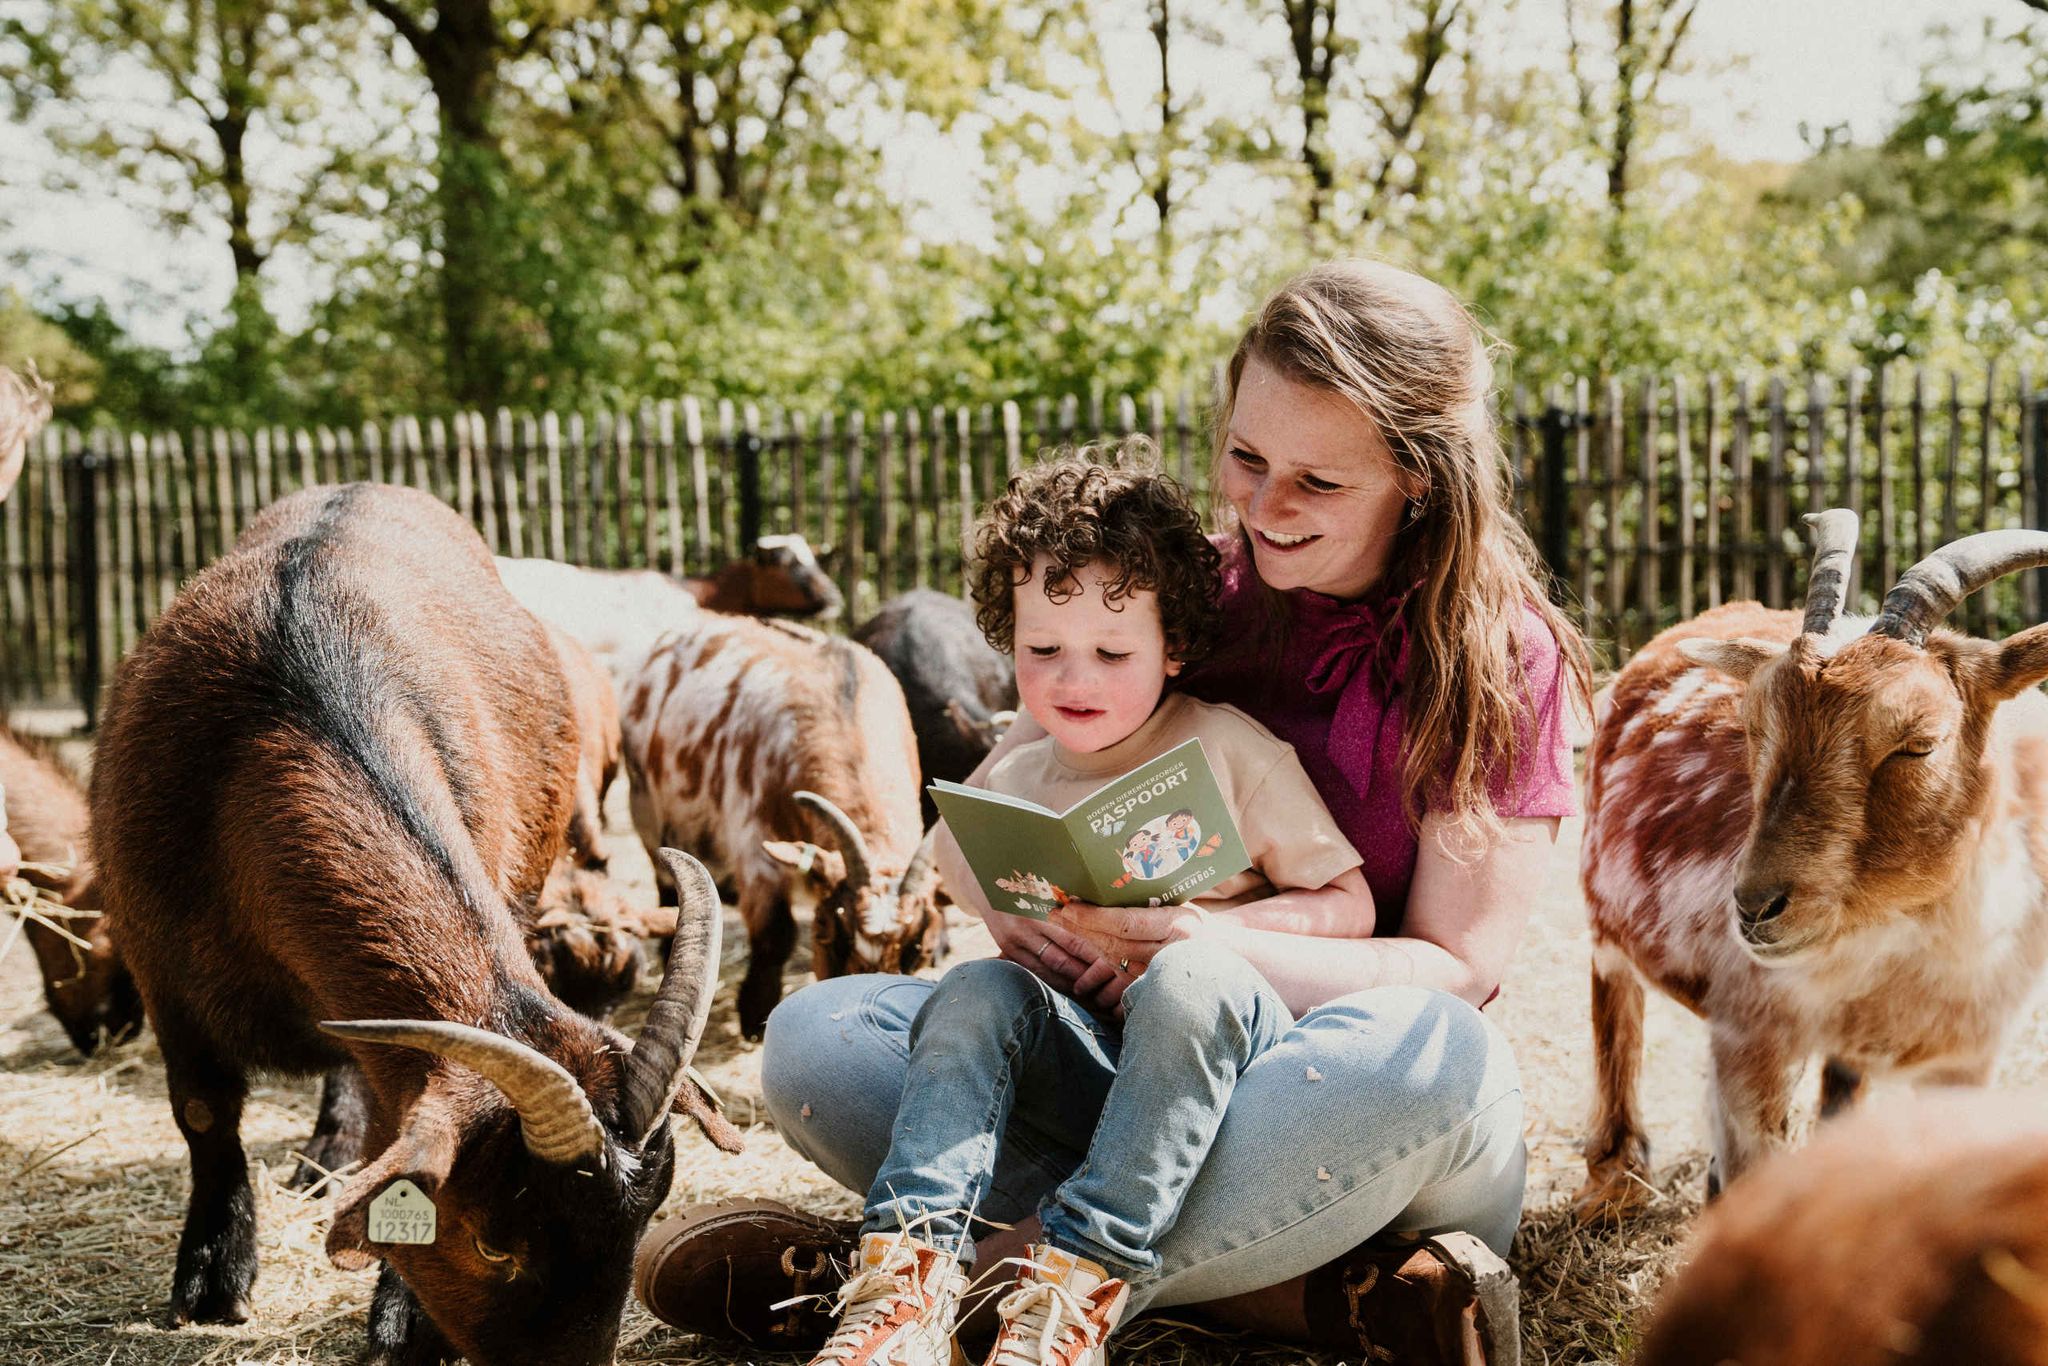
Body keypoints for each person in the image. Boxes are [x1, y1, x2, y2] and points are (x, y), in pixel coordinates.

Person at [634, 258, 1590, 1366]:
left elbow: (1454, 967)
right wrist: (1018, 910)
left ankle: (958, 1283)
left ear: (1417, 478)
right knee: (819, 1038)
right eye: (1245, 458)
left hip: (1329, 1100)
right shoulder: (1171, 592)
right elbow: (995, 803)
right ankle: (1316, 1296)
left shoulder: (1499, 656)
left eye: (1318, 483)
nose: (1263, 509)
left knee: (1431, 1054)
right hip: (1129, 1081)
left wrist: (1199, 942)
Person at [770, 446, 1374, 1366]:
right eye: (1042, 650)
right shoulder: (1015, 776)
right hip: (1085, 1059)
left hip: (1229, 1074)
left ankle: (1075, 1290)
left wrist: (1210, 932)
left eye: (1112, 653)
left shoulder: (1229, 751)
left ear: (1174, 648)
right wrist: (1011, 920)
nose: (1073, 680)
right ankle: (907, 1285)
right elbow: (955, 860)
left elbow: (1347, 902)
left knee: (1192, 979)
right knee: (974, 990)